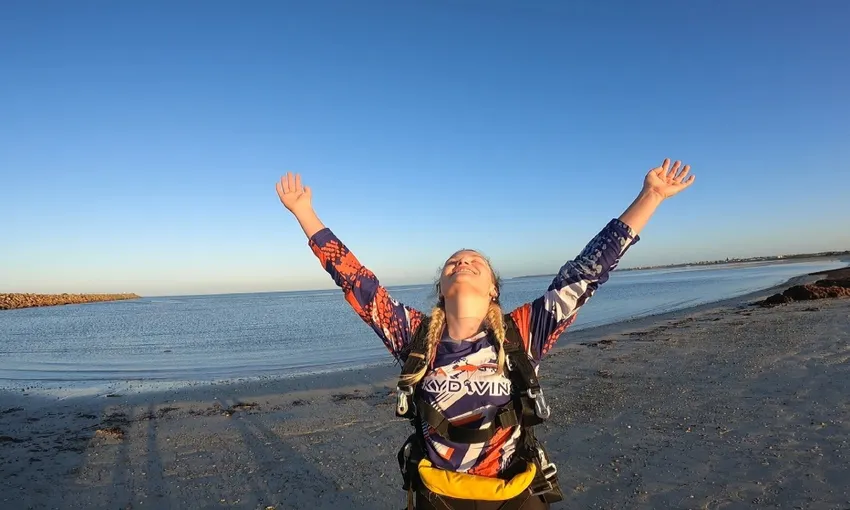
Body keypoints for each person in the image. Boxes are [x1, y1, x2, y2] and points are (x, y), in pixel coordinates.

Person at [275, 159, 696, 509]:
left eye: (474, 261)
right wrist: (305, 214)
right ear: (440, 288)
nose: (462, 263)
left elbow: (588, 271)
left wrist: (651, 196)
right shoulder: (414, 336)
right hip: (438, 493)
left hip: (512, 491)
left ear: (493, 286)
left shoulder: (523, 333)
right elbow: (356, 281)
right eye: (453, 263)